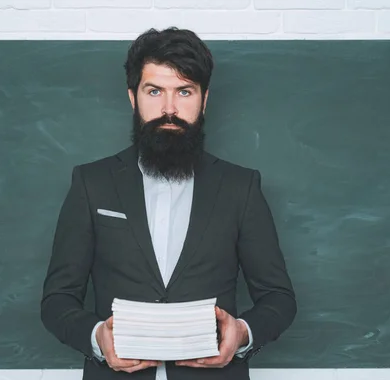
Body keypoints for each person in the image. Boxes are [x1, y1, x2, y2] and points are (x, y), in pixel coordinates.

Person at [40, 27, 297, 380]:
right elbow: (58, 300)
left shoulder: (241, 187)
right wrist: (96, 337)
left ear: (204, 100)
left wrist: (243, 333)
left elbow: (278, 298)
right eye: (155, 91)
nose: (169, 109)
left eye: (184, 91)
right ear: (133, 97)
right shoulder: (91, 183)